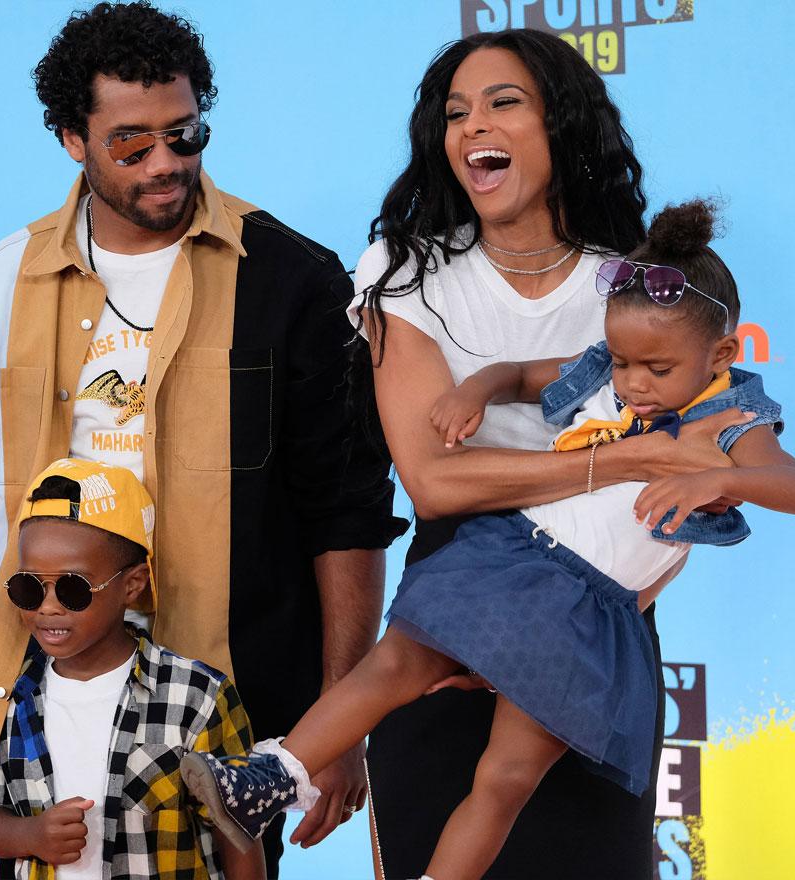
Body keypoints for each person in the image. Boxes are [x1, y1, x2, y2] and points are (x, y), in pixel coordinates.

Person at [180, 198, 795, 880]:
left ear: (721, 353)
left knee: (506, 777)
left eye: (656, 370)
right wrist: (475, 390)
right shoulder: (610, 367)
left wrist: (714, 480)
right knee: (394, 664)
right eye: (624, 361)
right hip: (514, 558)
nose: (632, 384)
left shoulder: (732, 417)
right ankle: (262, 783)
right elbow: (522, 375)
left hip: (588, 616)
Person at [0, 3, 404, 875]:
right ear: (73, 139)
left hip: (235, 716)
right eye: (131, 145)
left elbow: (348, 512)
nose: (166, 165)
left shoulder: (292, 278)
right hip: (39, 704)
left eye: (184, 136)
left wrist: (344, 715)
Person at [314, 29, 756, 879]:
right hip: (452, 608)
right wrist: (622, 467)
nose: (472, 124)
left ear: (561, 124)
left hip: (599, 616)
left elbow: (694, 474)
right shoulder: (403, 272)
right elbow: (436, 483)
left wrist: (558, 625)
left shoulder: (641, 285)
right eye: (454, 112)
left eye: (502, 102)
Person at [0, 458, 265, 880]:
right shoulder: (9, 698)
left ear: (133, 584)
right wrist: (31, 835)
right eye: (29, 587)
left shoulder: (198, 697)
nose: (48, 606)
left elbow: (239, 833)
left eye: (73, 588)